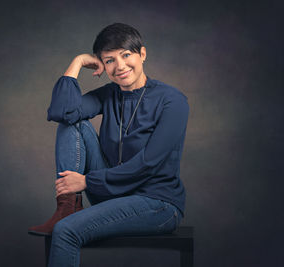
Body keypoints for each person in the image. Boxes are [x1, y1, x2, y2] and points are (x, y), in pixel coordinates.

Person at [28, 22, 189, 267]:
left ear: (142, 54)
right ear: (102, 65)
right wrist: (78, 62)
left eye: (126, 55)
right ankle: (67, 204)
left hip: (157, 203)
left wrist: (85, 181)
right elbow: (62, 112)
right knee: (74, 122)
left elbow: (148, 164)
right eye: (110, 60)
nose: (120, 66)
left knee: (67, 231)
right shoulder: (109, 93)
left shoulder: (172, 101)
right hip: (112, 193)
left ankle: (68, 212)